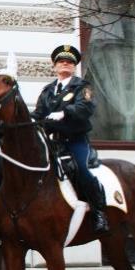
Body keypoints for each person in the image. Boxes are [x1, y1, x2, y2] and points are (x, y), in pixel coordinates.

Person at [32, 45, 109, 233]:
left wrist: (64, 112)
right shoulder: (48, 90)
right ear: (54, 66)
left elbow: (86, 108)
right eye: (61, 61)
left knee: (83, 170)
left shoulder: (82, 87)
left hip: (75, 140)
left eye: (69, 62)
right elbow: (39, 113)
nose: (65, 64)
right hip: (52, 141)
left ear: (74, 67)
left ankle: (99, 213)